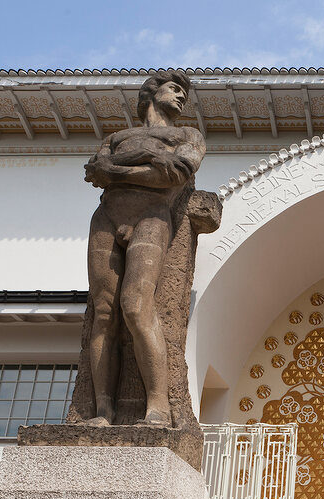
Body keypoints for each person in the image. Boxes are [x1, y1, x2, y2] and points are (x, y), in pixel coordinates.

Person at [82, 71, 206, 426]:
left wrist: (120, 168)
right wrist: (151, 159)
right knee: (104, 312)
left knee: (136, 306)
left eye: (185, 93)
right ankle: (102, 409)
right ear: (152, 94)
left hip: (152, 215)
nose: (181, 97)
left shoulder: (188, 135)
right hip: (106, 215)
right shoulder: (118, 136)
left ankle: (158, 405)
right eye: (174, 89)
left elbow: (174, 175)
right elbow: (95, 171)